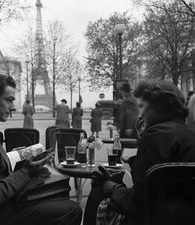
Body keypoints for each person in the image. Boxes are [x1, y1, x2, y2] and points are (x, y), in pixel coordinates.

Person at [0, 73, 82, 225]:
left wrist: (9, 155)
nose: (12, 107)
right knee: (71, 208)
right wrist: (26, 172)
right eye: (9, 100)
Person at [83, 80, 195, 225]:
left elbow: (139, 202)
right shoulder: (188, 134)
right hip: (184, 215)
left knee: (98, 190)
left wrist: (112, 188)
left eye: (142, 106)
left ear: (159, 107)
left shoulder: (154, 135)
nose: (140, 114)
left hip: (149, 217)